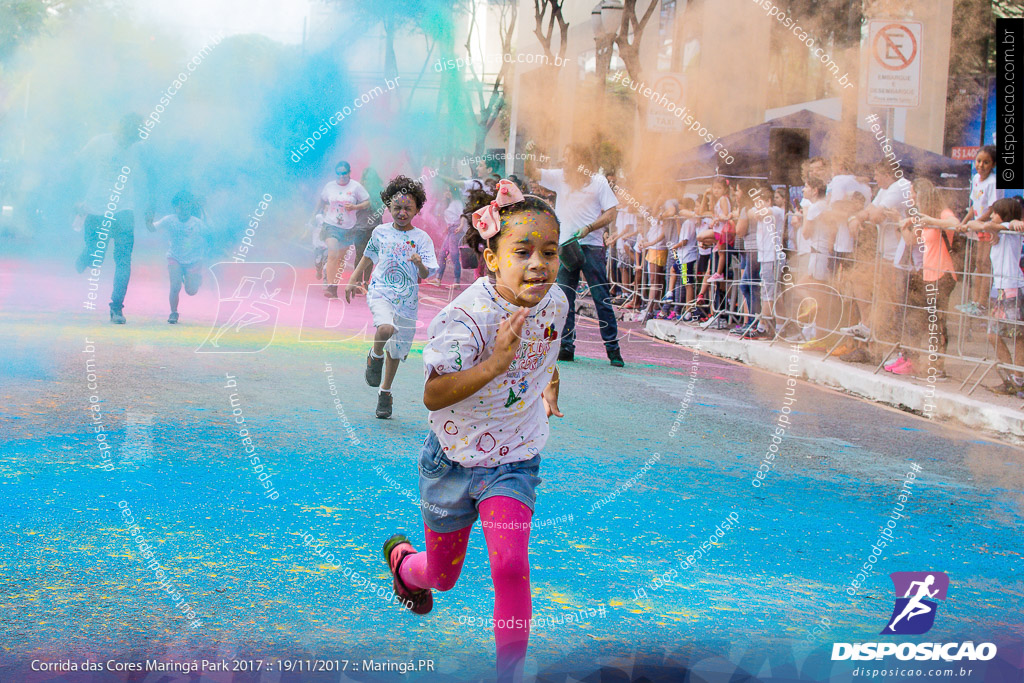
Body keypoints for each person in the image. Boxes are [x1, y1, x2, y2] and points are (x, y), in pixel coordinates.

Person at [381, 179, 567, 683]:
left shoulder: (556, 303)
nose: (538, 264)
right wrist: (496, 363)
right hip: (453, 460)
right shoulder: (464, 317)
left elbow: (544, 353)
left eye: (549, 252)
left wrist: (548, 385)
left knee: (510, 566)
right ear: (491, 258)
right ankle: (404, 567)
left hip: (514, 459)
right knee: (441, 577)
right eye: (523, 251)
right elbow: (433, 395)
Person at [345, 176, 438, 418]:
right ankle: (374, 357)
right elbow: (368, 257)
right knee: (385, 329)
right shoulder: (380, 232)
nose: (402, 213)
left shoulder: (422, 239)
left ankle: (384, 393)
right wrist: (354, 279)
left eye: (408, 208)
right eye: (397, 207)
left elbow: (427, 272)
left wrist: (419, 264)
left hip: (407, 300)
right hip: (381, 291)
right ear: (388, 207)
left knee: (396, 351)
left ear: (417, 209)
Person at [532, 145, 624, 366]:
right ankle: (565, 346)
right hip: (565, 247)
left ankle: (613, 350)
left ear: (581, 159)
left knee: (601, 297)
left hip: (591, 247)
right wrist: (531, 151)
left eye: (568, 156)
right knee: (564, 299)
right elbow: (533, 172)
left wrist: (590, 228)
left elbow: (611, 212)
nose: (564, 160)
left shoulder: (599, 181)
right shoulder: (561, 178)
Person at [74, 113, 152, 324]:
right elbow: (77, 166)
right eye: (131, 133)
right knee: (95, 256)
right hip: (96, 207)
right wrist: (77, 199)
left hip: (124, 210)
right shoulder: (100, 141)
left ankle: (116, 307)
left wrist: (150, 207)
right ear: (122, 129)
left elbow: (149, 175)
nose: (132, 139)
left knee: (123, 260)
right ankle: (87, 256)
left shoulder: (139, 148)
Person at [884, 179, 960, 376]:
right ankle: (923, 361)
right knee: (926, 320)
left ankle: (938, 366)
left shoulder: (941, 213)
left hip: (943, 273)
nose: (910, 197)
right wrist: (906, 223)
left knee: (938, 321)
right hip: (928, 273)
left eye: (912, 193)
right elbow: (912, 239)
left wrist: (932, 222)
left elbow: (956, 224)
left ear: (921, 194)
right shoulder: (922, 216)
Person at [961, 197, 1024, 394]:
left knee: (1017, 336)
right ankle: (1015, 376)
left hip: (1012, 288)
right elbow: (972, 223)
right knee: (995, 334)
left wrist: (1000, 226)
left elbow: (1013, 225)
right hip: (1002, 289)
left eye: (996, 212)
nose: (992, 216)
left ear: (1004, 215)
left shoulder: (1010, 232)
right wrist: (992, 227)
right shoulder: (997, 231)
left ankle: (1018, 378)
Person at [312, 160, 370, 298]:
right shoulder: (329, 186)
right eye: (338, 174)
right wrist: (313, 216)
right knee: (333, 252)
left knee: (340, 259)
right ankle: (331, 288)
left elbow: (367, 202)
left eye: (344, 173)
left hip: (348, 227)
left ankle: (333, 284)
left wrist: (355, 207)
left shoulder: (356, 187)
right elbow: (322, 200)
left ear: (349, 173)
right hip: (331, 224)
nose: (341, 176)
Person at [147, 191, 207, 324]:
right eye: (180, 207)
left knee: (191, 291)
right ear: (175, 208)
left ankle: (195, 279)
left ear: (190, 208)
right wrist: (148, 218)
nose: (183, 211)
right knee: (175, 286)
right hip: (175, 258)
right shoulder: (169, 220)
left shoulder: (197, 223)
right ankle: (173, 312)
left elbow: (209, 237)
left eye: (187, 208)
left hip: (193, 260)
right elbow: (152, 228)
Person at [958, 146, 1002, 316]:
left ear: (993, 164)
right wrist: (964, 223)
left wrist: (977, 223)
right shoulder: (976, 178)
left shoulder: (994, 182)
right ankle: (975, 300)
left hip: (987, 226)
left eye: (986, 162)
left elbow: (991, 209)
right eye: (978, 161)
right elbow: (973, 206)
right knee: (978, 264)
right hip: (977, 226)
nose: (981, 165)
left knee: (985, 263)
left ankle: (982, 302)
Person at [434, 186, 465, 284]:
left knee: (454, 255)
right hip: (451, 230)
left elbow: (462, 215)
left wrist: (461, 226)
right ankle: (438, 278)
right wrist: (447, 228)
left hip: (456, 231)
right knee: (443, 254)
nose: (445, 193)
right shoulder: (450, 203)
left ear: (452, 193)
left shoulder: (457, 203)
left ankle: (456, 281)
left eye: (447, 191)